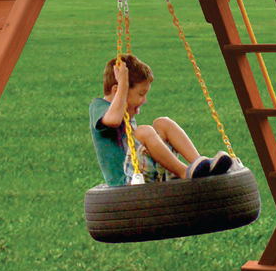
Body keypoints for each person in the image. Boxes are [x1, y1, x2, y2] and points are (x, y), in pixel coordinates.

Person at [91, 53, 234, 185]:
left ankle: (200, 165)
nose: (145, 100)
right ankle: (184, 171)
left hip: (146, 171)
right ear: (117, 91)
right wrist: (123, 83)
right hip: (126, 181)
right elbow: (113, 120)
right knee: (144, 131)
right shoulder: (99, 106)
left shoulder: (125, 110)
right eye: (141, 94)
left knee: (162, 123)